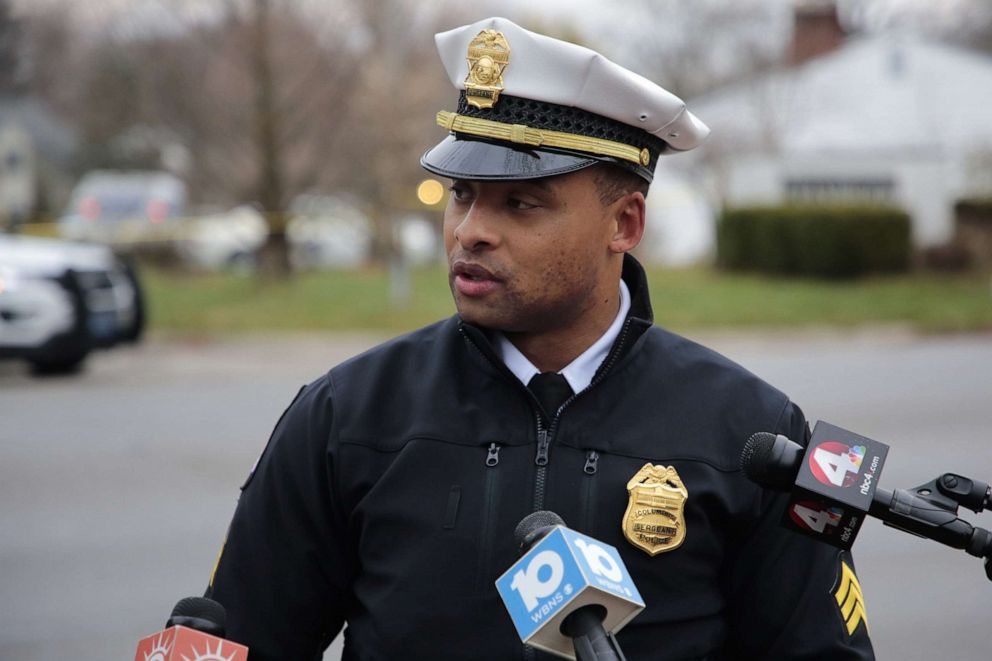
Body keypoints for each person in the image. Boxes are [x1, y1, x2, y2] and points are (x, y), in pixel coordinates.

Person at [206, 17, 875, 660]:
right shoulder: (345, 416)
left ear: (626, 223)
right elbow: (242, 641)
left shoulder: (753, 435)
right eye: (462, 194)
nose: (470, 230)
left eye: (520, 203)